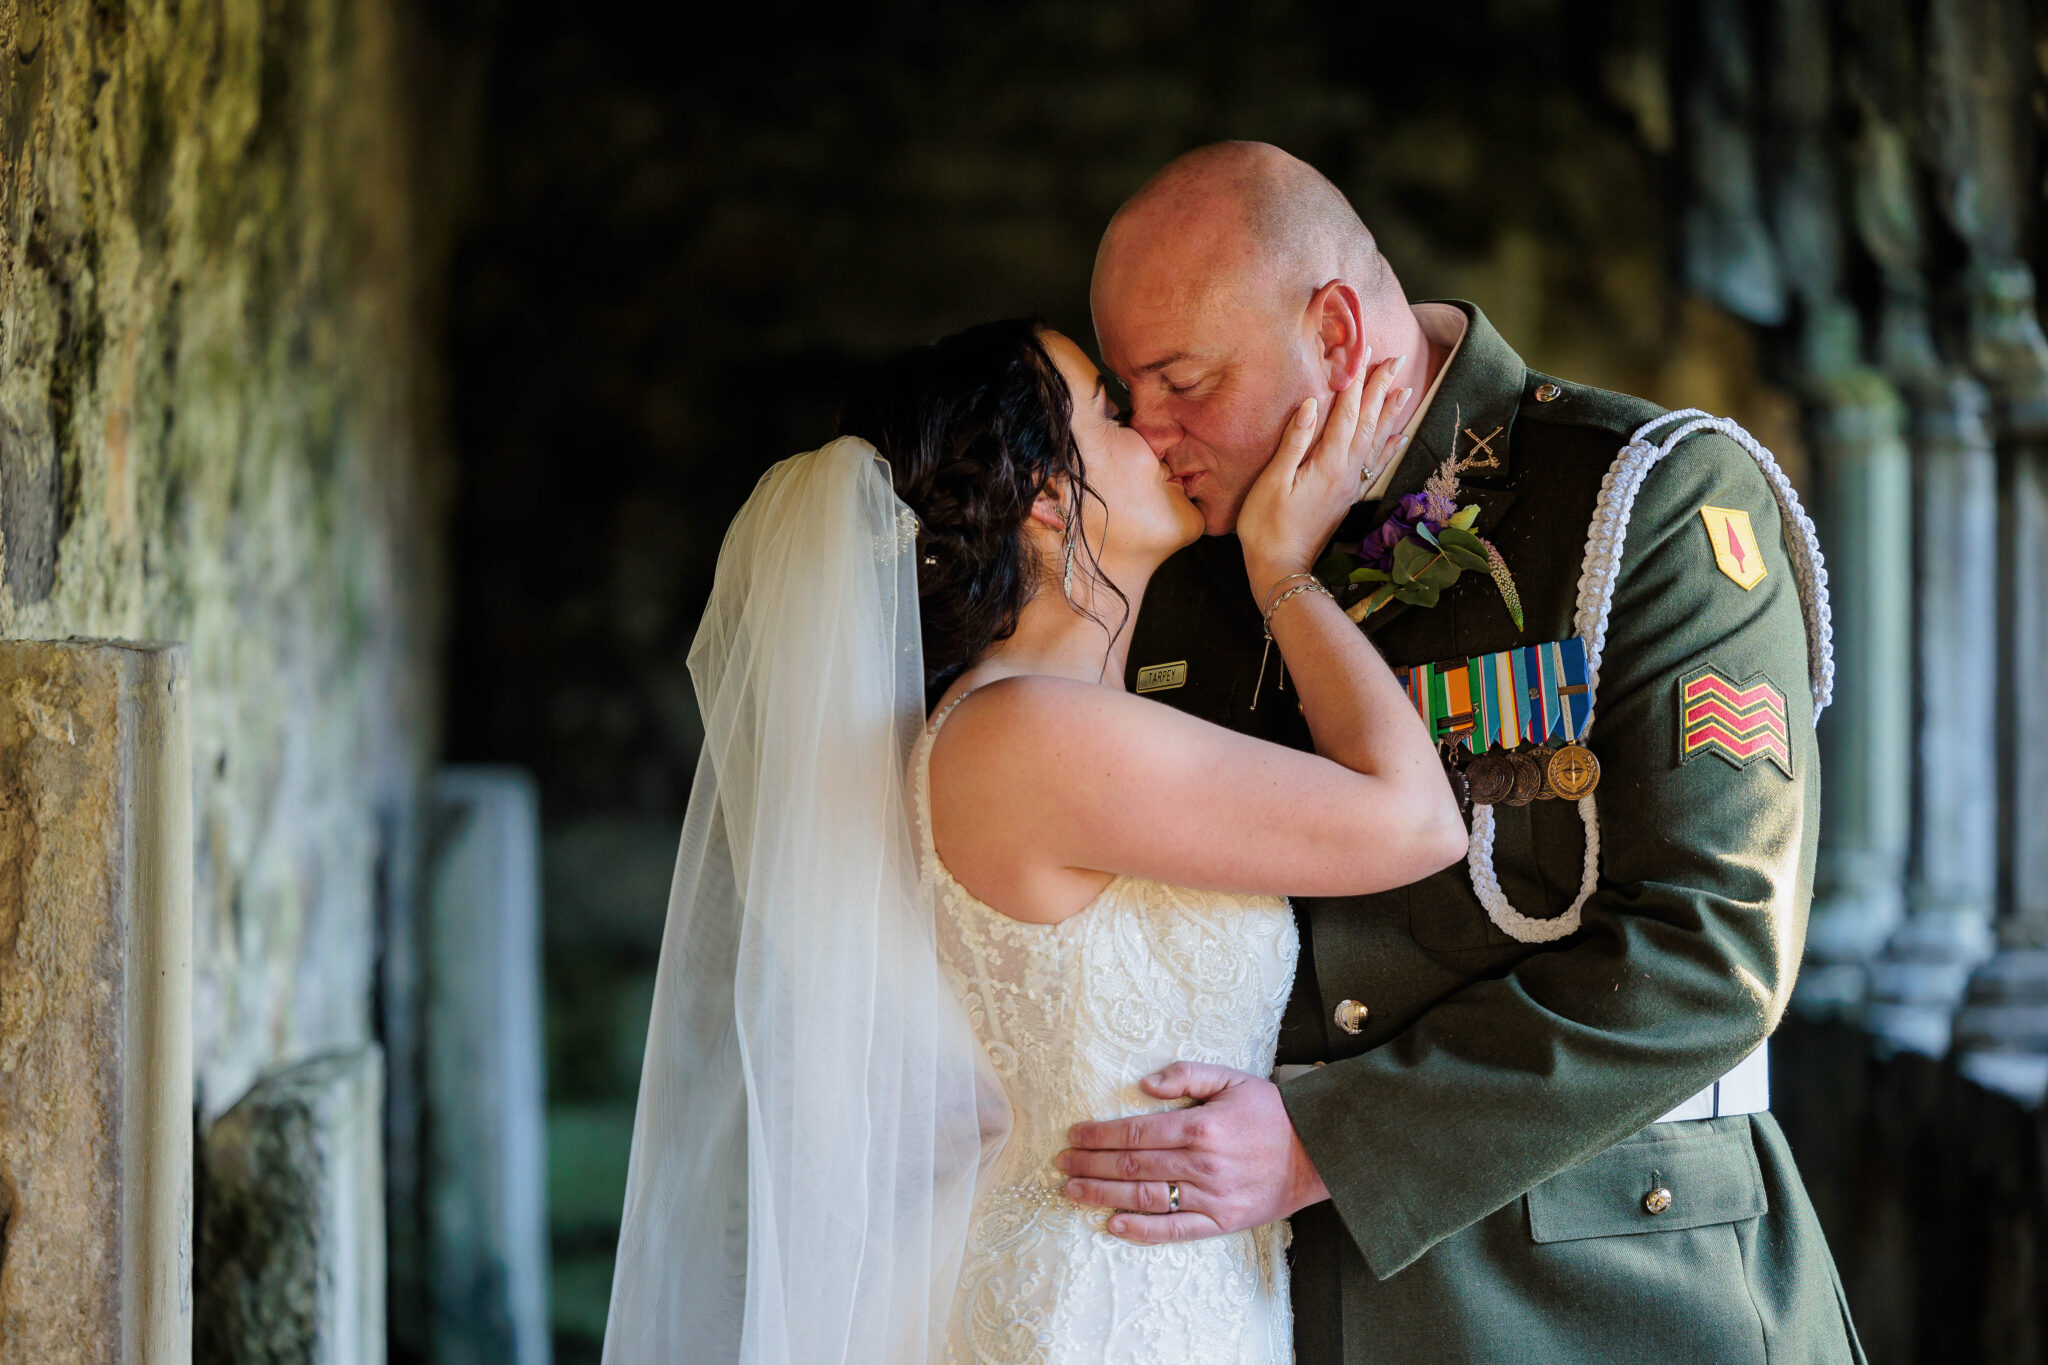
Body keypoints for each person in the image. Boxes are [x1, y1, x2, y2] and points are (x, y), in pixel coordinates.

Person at [1069, 140, 1865, 1363]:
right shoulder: (1174, 566)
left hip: (1608, 1296)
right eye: (1127, 394)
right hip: (1268, 1299)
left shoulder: (1643, 503)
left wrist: (1320, 1143)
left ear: (1336, 331)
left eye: (1179, 380)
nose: (1148, 433)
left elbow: (1709, 950)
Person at [600, 316, 1467, 1365]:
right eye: (1109, 407)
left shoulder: (1034, 724)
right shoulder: (1025, 735)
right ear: (1049, 497)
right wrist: (1279, 564)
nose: (1151, 424)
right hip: (1101, 1313)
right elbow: (1415, 824)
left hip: (1156, 1286)